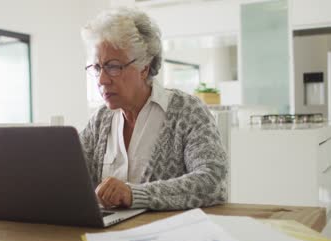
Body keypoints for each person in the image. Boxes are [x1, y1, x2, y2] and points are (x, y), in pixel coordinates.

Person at [79, 7, 227, 211]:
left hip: (169, 237)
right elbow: (69, 175)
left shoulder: (187, 111)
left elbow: (212, 183)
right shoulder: (100, 120)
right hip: (110, 236)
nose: (102, 80)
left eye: (113, 66)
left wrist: (134, 194)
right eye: (97, 68)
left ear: (144, 68)